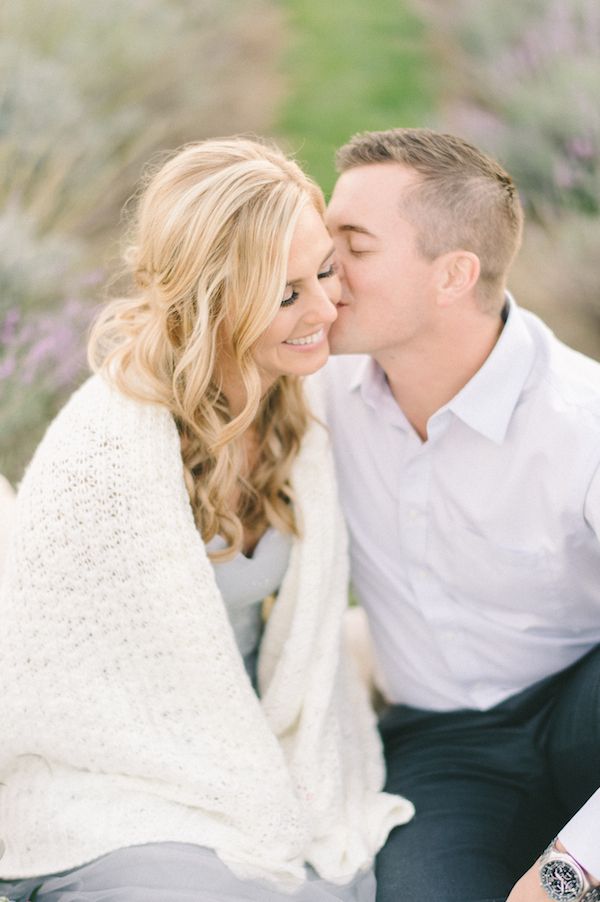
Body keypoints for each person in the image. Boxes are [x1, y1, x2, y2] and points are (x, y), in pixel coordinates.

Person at [0, 137, 413, 902]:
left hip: (252, 734)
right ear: (214, 303)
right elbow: (53, 684)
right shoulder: (107, 452)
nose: (326, 309)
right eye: (287, 295)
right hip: (126, 772)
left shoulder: (302, 402)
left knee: (339, 876)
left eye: (324, 271)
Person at [321, 127, 600, 902]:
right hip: (444, 745)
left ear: (453, 276)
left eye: (355, 245)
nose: (322, 267)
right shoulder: (313, 398)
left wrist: (567, 875)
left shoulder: (584, 423)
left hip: (586, 703)